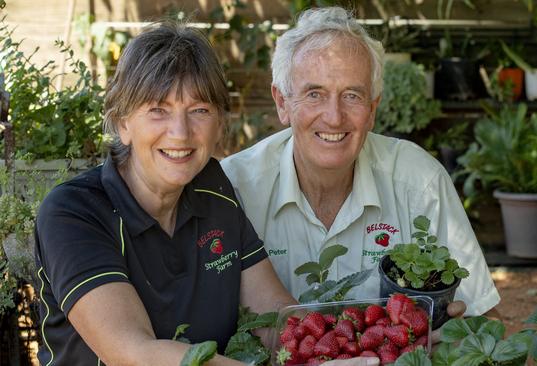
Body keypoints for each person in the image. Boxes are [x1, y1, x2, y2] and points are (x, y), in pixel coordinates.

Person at [33, 21, 302, 366]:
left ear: (220, 122)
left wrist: (333, 350)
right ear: (122, 124)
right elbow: (134, 352)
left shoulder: (212, 187)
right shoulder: (73, 213)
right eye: (158, 110)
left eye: (199, 110)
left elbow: (275, 317)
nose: (180, 133)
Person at [221, 6, 501, 324]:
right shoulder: (234, 188)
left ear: (373, 109)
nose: (334, 116)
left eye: (352, 95)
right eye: (314, 94)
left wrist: (449, 336)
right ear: (282, 102)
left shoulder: (419, 181)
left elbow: (484, 319)